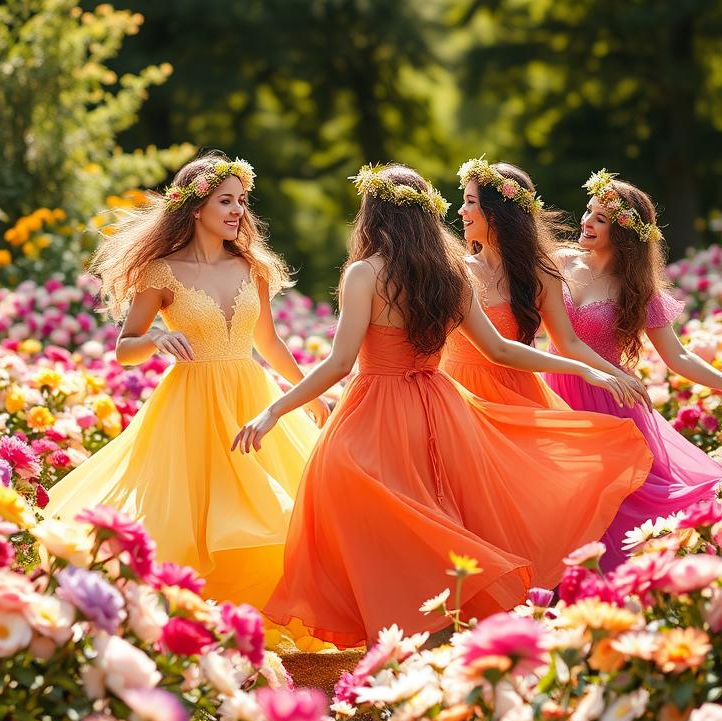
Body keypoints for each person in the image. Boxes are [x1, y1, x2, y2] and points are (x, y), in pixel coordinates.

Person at [233, 164, 651, 647]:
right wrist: (586, 368)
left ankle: (397, 627)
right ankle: (432, 621)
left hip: (375, 409)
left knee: (359, 508)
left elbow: (338, 364)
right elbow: (500, 348)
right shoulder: (452, 274)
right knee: (432, 515)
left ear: (374, 217)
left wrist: (274, 410)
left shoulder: (364, 274)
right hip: (441, 408)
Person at [45, 152, 328, 610]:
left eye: (241, 201)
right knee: (194, 514)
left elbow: (269, 342)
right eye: (225, 201)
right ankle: (187, 609)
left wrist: (305, 394)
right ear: (196, 208)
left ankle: (255, 609)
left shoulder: (251, 267)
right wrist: (157, 336)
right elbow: (124, 348)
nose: (238, 211)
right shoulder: (161, 271)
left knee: (272, 505)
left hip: (250, 395)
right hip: (191, 406)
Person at [544, 169, 722, 571]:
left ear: (622, 234)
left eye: (600, 219)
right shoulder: (559, 262)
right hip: (556, 391)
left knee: (616, 496)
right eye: (589, 211)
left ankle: (614, 576)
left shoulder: (638, 290)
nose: (586, 221)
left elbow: (677, 357)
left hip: (610, 401)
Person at [444, 157, 650, 411]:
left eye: (470, 202)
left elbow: (568, 342)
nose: (461, 210)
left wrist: (618, 375)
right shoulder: (456, 270)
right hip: (459, 394)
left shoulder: (540, 274)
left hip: (518, 396)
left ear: (497, 214)